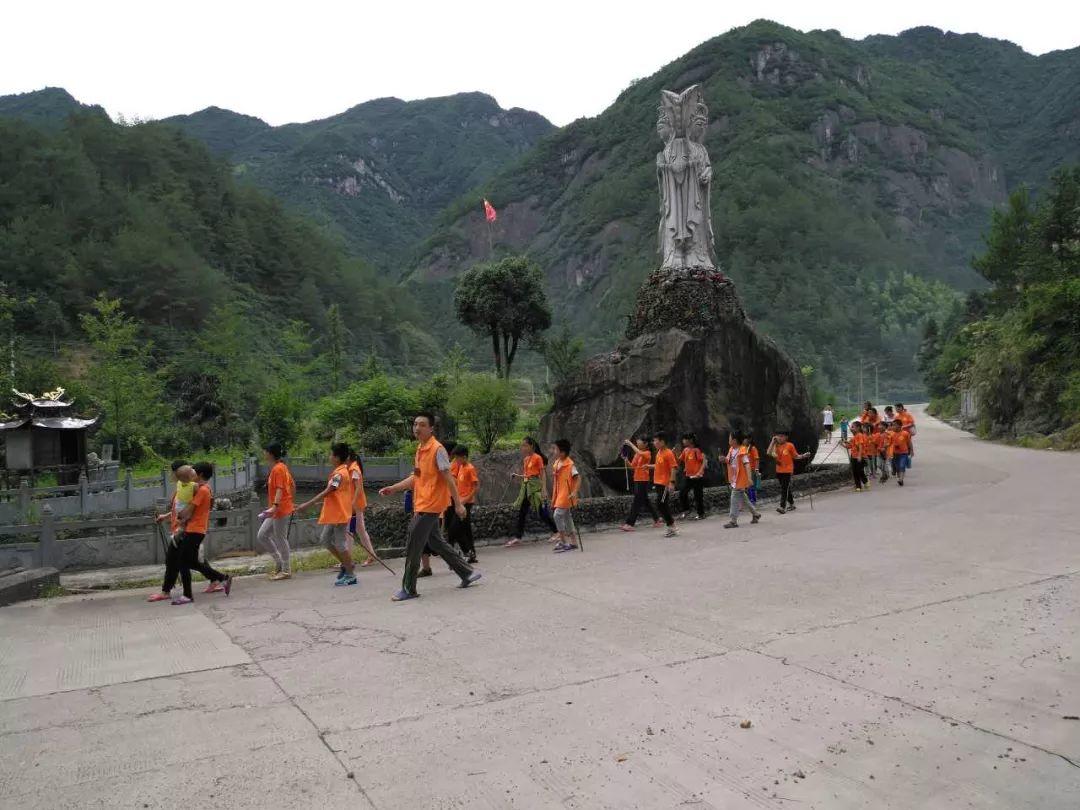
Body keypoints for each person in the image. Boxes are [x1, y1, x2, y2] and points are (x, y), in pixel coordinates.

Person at [378, 412, 481, 601]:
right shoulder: (420, 450)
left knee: (413, 543)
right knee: (435, 542)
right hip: (422, 503)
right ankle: (467, 572)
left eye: (422, 425)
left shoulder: (437, 449)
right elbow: (416, 478)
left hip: (431, 505)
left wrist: (458, 504)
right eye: (415, 424)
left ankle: (409, 588)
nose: (417, 428)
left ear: (431, 428)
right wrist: (394, 488)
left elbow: (448, 478)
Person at [166, 462, 232, 605]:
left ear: (200, 475)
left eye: (193, 471)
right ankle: (222, 578)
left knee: (183, 561)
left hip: (195, 530)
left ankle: (188, 595)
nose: (191, 474)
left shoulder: (203, 491)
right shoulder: (200, 489)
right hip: (192, 529)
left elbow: (187, 512)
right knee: (191, 562)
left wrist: (180, 515)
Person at [295, 443, 357, 587]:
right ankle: (347, 564)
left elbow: (329, 491)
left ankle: (350, 574)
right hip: (334, 514)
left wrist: (307, 504)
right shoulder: (340, 471)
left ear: (336, 457)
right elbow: (333, 494)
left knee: (340, 544)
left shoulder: (339, 474)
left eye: (331, 455)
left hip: (339, 515)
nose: (329, 457)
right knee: (325, 540)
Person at [149, 461, 196, 602]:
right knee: (190, 561)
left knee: (174, 561)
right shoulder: (180, 486)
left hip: (184, 531)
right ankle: (216, 579)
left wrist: (182, 526)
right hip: (178, 529)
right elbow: (178, 508)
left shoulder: (194, 488)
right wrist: (166, 516)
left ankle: (168, 591)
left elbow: (190, 509)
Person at [505, 437, 558, 547]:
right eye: (522, 445)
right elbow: (527, 475)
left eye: (525, 445)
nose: (522, 448)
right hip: (527, 487)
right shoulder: (526, 460)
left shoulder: (537, 458)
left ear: (531, 446)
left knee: (541, 511)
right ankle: (518, 537)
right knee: (522, 512)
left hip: (535, 487)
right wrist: (516, 475)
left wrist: (543, 489)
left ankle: (556, 531)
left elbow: (542, 474)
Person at [258, 443, 295, 580]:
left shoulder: (278, 469)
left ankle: (286, 570)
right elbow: (292, 485)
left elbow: (280, 488)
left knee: (281, 538)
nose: (264, 453)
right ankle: (279, 562)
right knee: (262, 535)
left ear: (271, 453)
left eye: (265, 450)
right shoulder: (279, 467)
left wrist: (275, 505)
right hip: (275, 509)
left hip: (279, 509)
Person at [345, 451, 381, 570]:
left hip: (356, 505)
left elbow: (358, 487)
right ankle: (370, 556)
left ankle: (349, 559)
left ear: (349, 457)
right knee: (357, 531)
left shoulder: (354, 469)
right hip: (355, 505)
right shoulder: (351, 468)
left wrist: (353, 503)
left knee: (352, 531)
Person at [447, 445, 479, 564]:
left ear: (464, 457)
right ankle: (471, 553)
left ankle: (452, 554)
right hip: (460, 502)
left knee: (454, 528)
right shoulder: (461, 467)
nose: (456, 460)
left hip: (466, 503)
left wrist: (464, 501)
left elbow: (475, 487)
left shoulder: (470, 468)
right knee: (465, 528)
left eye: (458, 458)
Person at [620, 437, 659, 531]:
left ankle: (630, 524)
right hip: (637, 479)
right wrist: (626, 460)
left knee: (636, 502)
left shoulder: (647, 453)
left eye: (639, 441)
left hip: (643, 480)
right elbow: (633, 467)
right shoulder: (637, 455)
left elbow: (640, 452)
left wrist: (630, 444)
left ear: (645, 444)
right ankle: (657, 519)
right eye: (637, 442)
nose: (637, 443)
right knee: (645, 500)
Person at [549, 439, 581, 552]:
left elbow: (577, 478)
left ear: (562, 452)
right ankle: (574, 542)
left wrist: (574, 492)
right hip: (559, 493)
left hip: (566, 494)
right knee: (567, 517)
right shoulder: (556, 463)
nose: (553, 451)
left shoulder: (570, 464)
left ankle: (563, 541)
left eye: (555, 449)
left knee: (557, 515)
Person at [768, 430, 811, 514]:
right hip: (779, 471)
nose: (780, 438)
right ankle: (792, 504)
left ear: (786, 437)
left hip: (787, 470)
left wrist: (804, 455)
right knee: (786, 488)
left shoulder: (790, 445)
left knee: (784, 488)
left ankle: (782, 507)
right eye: (778, 436)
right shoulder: (775, 446)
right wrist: (772, 442)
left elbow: (796, 456)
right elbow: (769, 453)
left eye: (782, 436)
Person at [723, 433, 760, 528]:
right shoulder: (731, 450)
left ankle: (733, 520)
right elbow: (728, 460)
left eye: (730, 438)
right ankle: (755, 514)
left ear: (734, 440)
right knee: (744, 497)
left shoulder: (742, 450)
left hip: (740, 478)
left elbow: (747, 464)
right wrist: (723, 459)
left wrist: (749, 478)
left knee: (734, 498)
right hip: (734, 478)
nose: (729, 439)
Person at [651, 432, 679, 537]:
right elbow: (658, 466)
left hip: (665, 484)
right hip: (658, 483)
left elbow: (673, 468)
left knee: (661, 505)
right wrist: (649, 466)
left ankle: (672, 526)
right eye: (654, 441)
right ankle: (671, 525)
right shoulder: (659, 452)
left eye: (656, 441)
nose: (654, 443)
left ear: (662, 442)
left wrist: (672, 483)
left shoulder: (668, 453)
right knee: (662, 505)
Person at [676, 433, 706, 520]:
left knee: (698, 496)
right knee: (682, 493)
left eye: (685, 439)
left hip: (697, 477)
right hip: (688, 476)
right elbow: (679, 460)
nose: (683, 441)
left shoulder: (696, 450)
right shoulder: (685, 450)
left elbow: (703, 462)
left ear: (690, 440)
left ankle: (701, 514)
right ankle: (686, 510)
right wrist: (676, 452)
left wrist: (699, 473)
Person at [843, 422, 869, 491]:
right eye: (851, 427)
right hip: (853, 456)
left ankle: (865, 482)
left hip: (860, 456)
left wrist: (859, 456)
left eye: (853, 427)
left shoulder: (859, 435)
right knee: (855, 471)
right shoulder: (854, 437)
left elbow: (860, 446)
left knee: (859, 471)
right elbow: (848, 447)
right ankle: (858, 487)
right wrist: (842, 443)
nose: (851, 428)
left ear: (858, 428)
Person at [888, 419, 912, 486]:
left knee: (902, 466)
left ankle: (901, 479)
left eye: (894, 425)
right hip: (895, 453)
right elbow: (889, 443)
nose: (892, 427)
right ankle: (899, 477)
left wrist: (911, 451)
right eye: (892, 425)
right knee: (898, 467)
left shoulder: (905, 433)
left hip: (904, 453)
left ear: (899, 426)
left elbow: (909, 443)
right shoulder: (891, 434)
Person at [745, 435, 761, 505]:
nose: (744, 441)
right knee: (748, 486)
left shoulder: (753, 448)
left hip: (752, 469)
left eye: (745, 439)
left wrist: (756, 469)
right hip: (746, 469)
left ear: (749, 439)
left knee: (751, 485)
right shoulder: (745, 448)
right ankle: (751, 499)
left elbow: (756, 459)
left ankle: (753, 500)